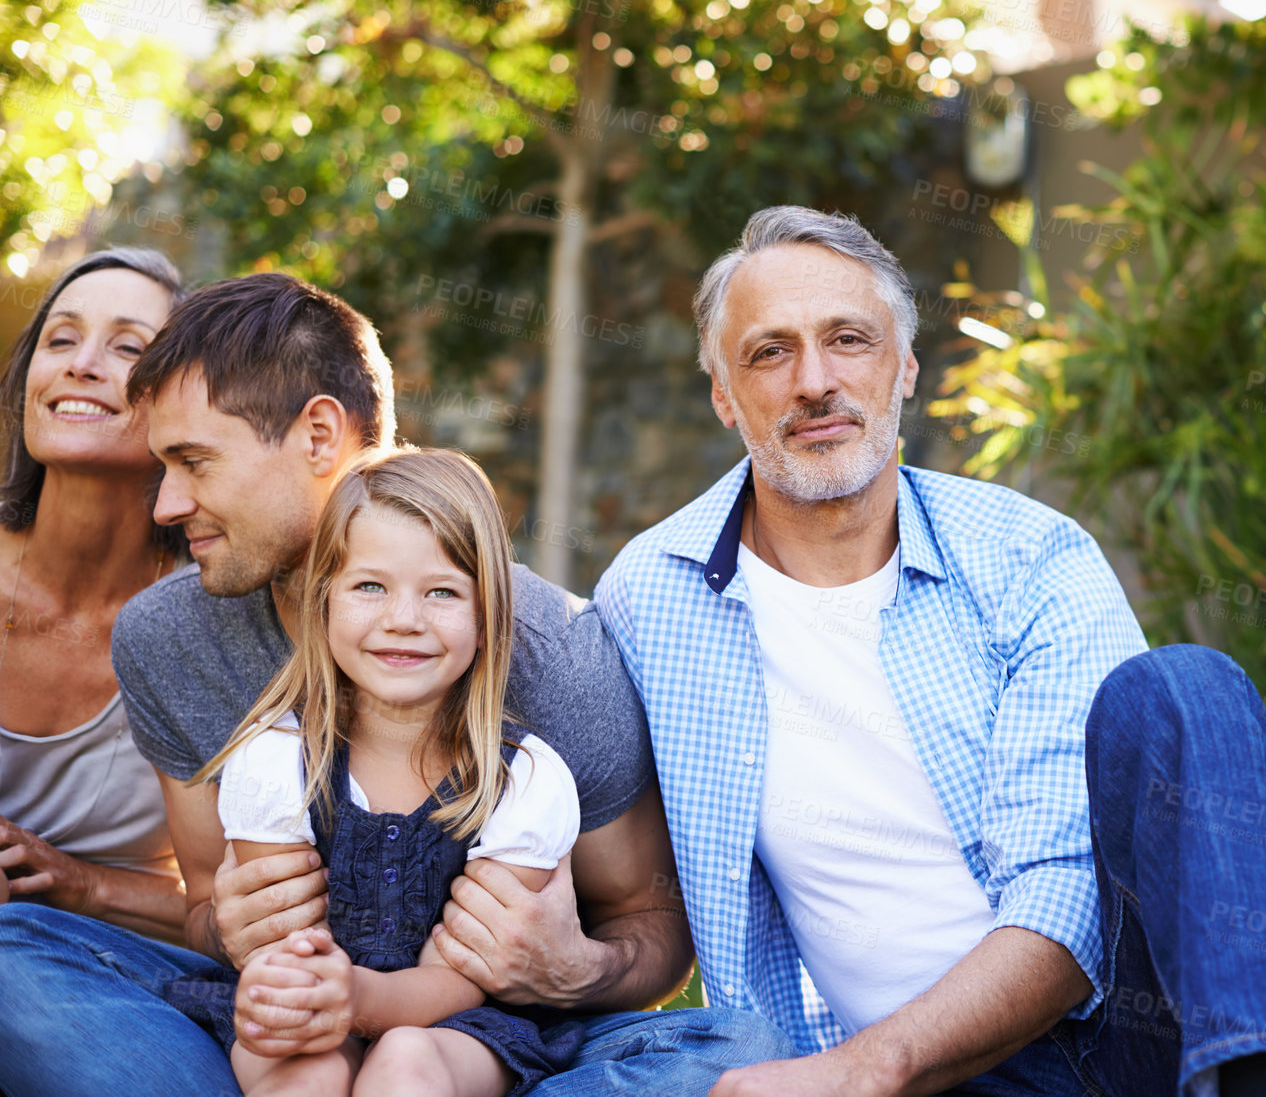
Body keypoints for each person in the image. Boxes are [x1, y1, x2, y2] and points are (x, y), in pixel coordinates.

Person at [593, 206, 1266, 1097]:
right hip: (869, 1073)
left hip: (1108, 1038)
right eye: (769, 352)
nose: (815, 381)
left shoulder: (1031, 556)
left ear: (904, 367)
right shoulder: (651, 595)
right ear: (724, 394)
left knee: (1187, 687)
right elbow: (615, 868)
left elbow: (1066, 897)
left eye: (849, 339)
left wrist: (861, 1071)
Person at [0, 271, 789, 1097]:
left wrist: (576, 967)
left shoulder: (547, 651)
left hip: (485, 1045)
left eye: (193, 461)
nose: (165, 504)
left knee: (734, 1045)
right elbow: (205, 910)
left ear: (317, 435)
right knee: (16, 945)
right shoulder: (171, 637)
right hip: (284, 1033)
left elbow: (650, 926)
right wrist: (231, 929)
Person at [166, 447, 590, 1097]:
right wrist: (299, 994)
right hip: (310, 1007)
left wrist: (358, 997)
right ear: (325, 601)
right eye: (370, 585)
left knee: (406, 1062)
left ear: (485, 618)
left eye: (442, 592)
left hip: (460, 1021)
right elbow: (282, 947)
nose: (403, 619)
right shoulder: (277, 757)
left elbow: (465, 975)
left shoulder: (524, 778)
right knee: (307, 1068)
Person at [0, 246, 189, 941]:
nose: (82, 364)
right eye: (61, 338)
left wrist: (79, 884)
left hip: (117, 968)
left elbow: (230, 912)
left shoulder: (211, 620)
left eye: (128, 347)